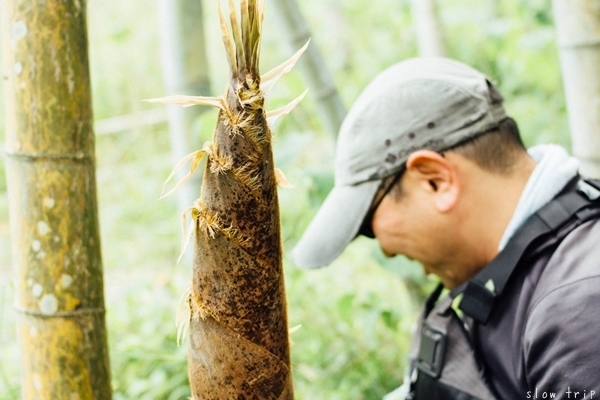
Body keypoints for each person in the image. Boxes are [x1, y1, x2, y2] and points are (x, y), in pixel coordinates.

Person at [291, 57, 600, 399]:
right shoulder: (510, 278)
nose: (385, 248)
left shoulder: (579, 307)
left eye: (368, 224)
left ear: (435, 180)